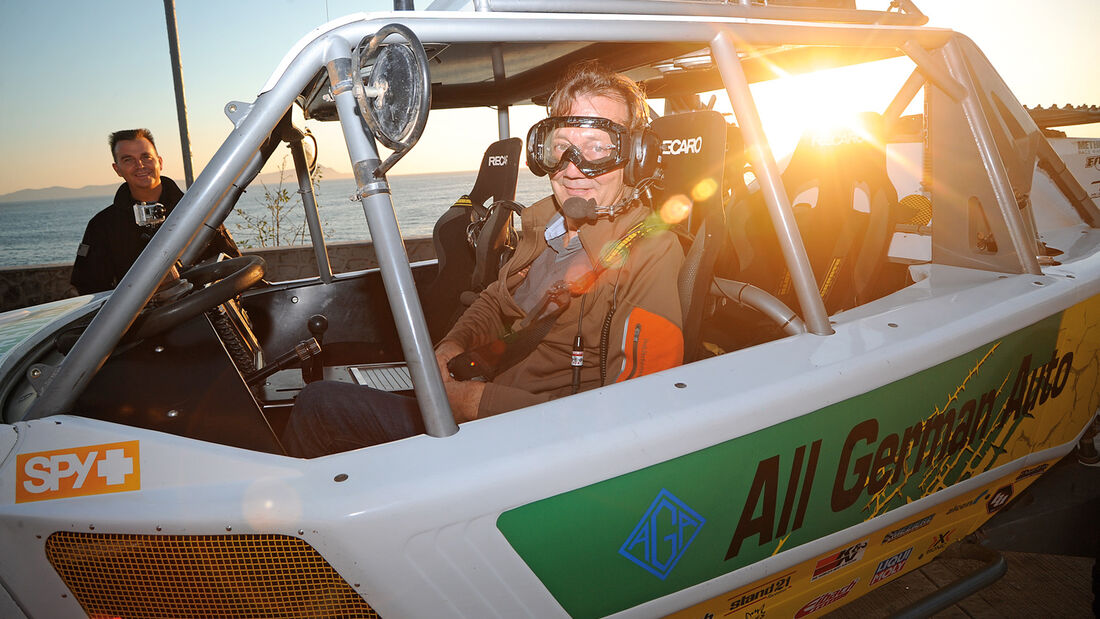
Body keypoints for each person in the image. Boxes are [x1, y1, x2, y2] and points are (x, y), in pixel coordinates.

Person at [282, 61, 685, 457]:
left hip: (529, 451)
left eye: (599, 147)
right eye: (562, 148)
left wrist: (477, 403)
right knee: (321, 401)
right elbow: (496, 300)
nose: (574, 168)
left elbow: (636, 418)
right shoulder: (545, 225)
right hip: (482, 412)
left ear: (635, 158)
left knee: (321, 409)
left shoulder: (652, 253)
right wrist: (451, 347)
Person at [70, 128, 239, 295]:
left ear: (160, 162)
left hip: (205, 314)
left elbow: (233, 265)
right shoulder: (103, 225)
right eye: (128, 160)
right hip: (140, 320)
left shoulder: (198, 213)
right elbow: (89, 287)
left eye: (146, 157)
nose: (140, 165)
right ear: (117, 169)